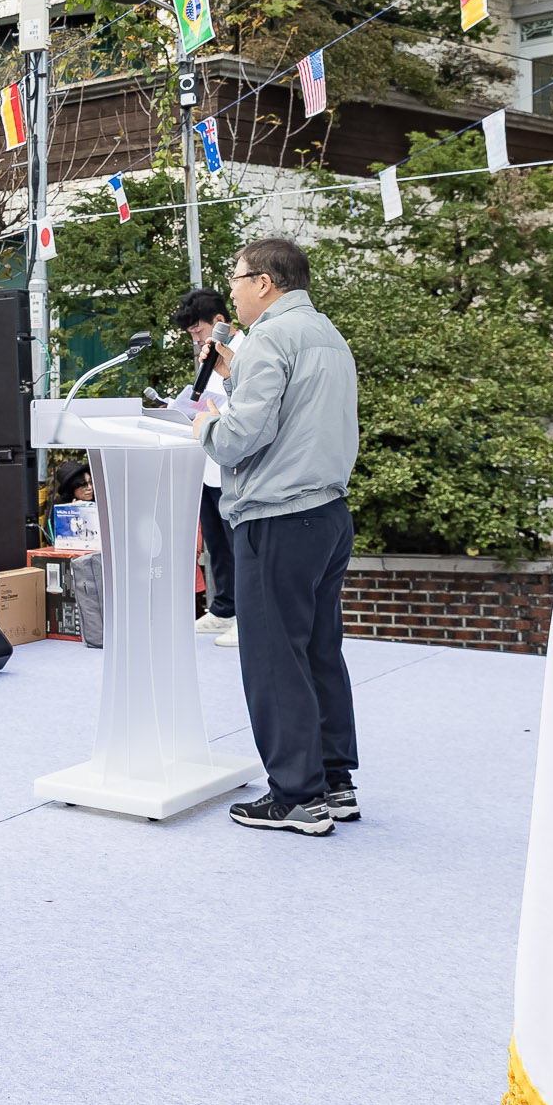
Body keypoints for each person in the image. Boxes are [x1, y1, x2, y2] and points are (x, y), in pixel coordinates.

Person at [192, 237, 361, 837]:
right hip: (326, 513)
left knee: (273, 660)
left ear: (265, 282)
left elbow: (242, 436)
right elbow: (297, 414)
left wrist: (205, 424)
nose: (231, 290)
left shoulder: (266, 337)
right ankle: (334, 783)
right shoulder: (325, 333)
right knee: (317, 651)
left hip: (276, 515)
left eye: (236, 279)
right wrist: (234, 376)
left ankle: (295, 795)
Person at [174, 287, 239, 644]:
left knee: (239, 543)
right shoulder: (207, 360)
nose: (196, 339)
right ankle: (223, 607)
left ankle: (247, 614)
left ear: (219, 323)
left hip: (233, 462)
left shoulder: (245, 351)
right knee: (216, 543)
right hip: (206, 462)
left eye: (198, 331)